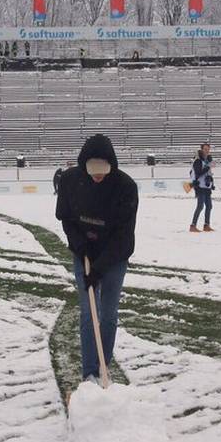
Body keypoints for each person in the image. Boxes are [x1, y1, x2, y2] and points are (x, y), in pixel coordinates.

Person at [55, 134, 138, 384]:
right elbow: (66, 219)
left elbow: (124, 236)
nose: (97, 177)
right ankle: (90, 373)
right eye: (93, 172)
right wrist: (81, 248)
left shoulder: (125, 186)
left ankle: (104, 366)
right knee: (89, 313)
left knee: (109, 313)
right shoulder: (70, 180)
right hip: (84, 253)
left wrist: (99, 268)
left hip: (115, 255)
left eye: (102, 172)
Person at [189, 143, 214, 232]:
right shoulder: (198, 161)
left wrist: (212, 183)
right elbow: (198, 173)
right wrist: (207, 168)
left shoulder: (207, 161)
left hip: (206, 187)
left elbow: (209, 173)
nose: (207, 151)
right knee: (200, 206)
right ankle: (193, 225)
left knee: (209, 206)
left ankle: (206, 225)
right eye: (205, 149)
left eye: (208, 149)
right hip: (200, 186)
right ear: (202, 149)